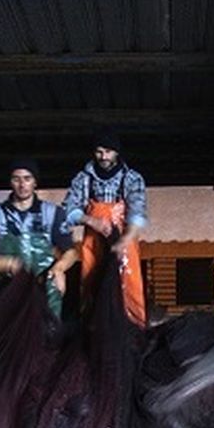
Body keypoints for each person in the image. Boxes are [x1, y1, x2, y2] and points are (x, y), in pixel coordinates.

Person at [0, 158, 76, 318]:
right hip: (5, 288)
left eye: (27, 179)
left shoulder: (53, 213)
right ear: (10, 182)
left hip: (43, 287)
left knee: (48, 335)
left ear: (35, 182)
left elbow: (71, 251)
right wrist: (10, 264)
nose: (22, 185)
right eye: (16, 179)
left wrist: (59, 269)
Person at [63, 131, 149, 326]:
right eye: (99, 152)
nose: (103, 157)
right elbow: (68, 209)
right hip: (94, 242)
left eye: (108, 152)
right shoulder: (83, 178)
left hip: (123, 241)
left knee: (128, 284)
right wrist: (91, 220)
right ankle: (91, 327)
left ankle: (134, 326)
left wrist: (124, 241)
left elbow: (138, 212)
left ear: (117, 153)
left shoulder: (132, 178)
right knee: (91, 281)